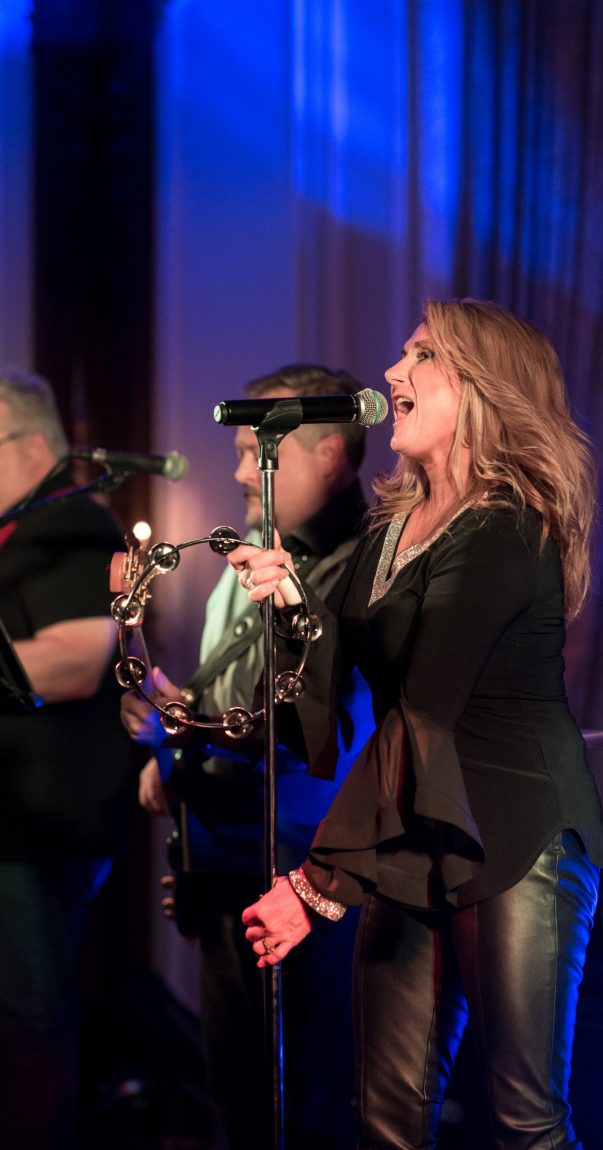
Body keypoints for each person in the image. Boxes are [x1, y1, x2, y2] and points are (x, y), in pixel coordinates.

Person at [226, 299, 603, 1150]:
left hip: (514, 837)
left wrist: (315, 885)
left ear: (482, 388)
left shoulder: (507, 527)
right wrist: (292, 605)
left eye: (422, 355)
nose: (392, 371)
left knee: (525, 1120)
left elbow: (427, 709)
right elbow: (335, 688)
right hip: (415, 832)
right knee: (387, 1116)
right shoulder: (391, 529)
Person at [120, 365, 374, 1150]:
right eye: (237, 452)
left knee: (311, 1103)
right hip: (226, 859)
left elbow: (311, 732)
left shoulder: (365, 568)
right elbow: (228, 701)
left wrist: (183, 733)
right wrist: (169, 734)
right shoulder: (247, 562)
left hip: (308, 873)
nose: (239, 474)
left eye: (254, 453)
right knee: (237, 1096)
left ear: (329, 455)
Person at [0, 367, 135, 1149]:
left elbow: (80, 658)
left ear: (28, 445)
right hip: (17, 824)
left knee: (27, 1026)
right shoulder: (23, 529)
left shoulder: (75, 524)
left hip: (42, 829)